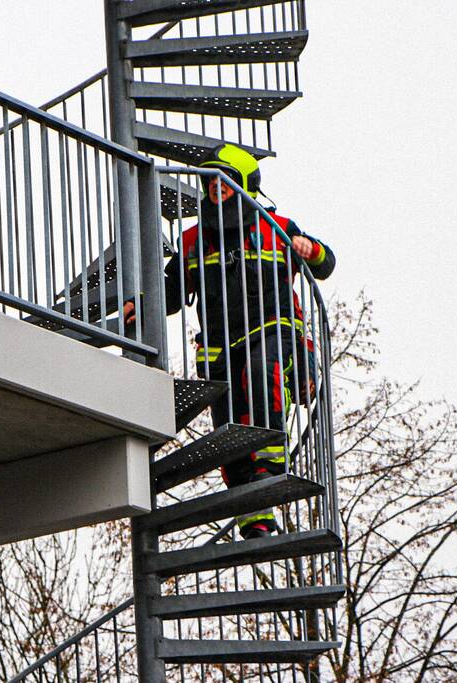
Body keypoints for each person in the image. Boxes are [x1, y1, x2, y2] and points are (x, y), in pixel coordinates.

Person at [125, 143, 336, 539]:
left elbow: (325, 264)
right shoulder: (192, 241)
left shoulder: (277, 227)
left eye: (225, 182)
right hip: (221, 349)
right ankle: (254, 520)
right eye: (210, 182)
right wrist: (143, 305)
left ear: (245, 185)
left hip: (276, 331)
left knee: (263, 373)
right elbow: (169, 291)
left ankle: (272, 468)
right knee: (230, 433)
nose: (215, 189)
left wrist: (312, 250)